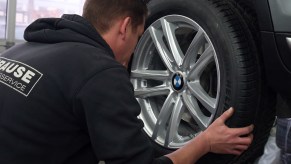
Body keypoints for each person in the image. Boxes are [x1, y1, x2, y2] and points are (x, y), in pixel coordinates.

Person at [0, 0, 253, 163]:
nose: (135, 51)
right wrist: (205, 142)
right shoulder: (99, 71)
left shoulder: (21, 50)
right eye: (139, 35)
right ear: (125, 27)